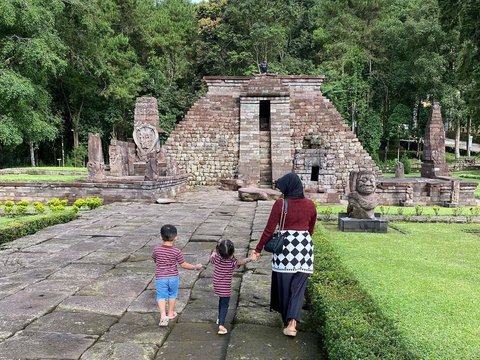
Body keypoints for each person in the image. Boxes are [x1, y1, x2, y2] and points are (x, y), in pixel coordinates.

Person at [251, 172, 317, 337]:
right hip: (305, 248)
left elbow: (269, 230)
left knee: (284, 287)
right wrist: (303, 240)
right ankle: (292, 323)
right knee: (298, 288)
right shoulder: (310, 204)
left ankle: (288, 321)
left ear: (288, 188)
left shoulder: (281, 204)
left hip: (285, 249)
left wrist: (258, 249)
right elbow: (311, 228)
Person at [152, 224, 203, 327]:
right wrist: (195, 267)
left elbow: (154, 258)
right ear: (176, 237)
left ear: (161, 237)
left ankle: (163, 315)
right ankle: (170, 313)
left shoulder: (157, 249)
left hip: (161, 277)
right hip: (173, 277)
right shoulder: (176, 251)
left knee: (161, 295)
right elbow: (183, 264)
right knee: (172, 294)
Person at [210, 239, 253, 335]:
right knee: (225, 304)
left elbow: (211, 258)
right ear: (232, 252)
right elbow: (241, 262)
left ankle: (219, 317)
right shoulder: (232, 263)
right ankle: (221, 325)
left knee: (221, 301)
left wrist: (214, 251)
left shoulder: (216, 258)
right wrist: (251, 258)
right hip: (225, 287)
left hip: (216, 284)